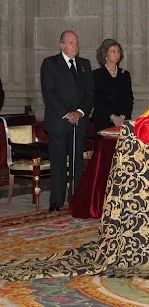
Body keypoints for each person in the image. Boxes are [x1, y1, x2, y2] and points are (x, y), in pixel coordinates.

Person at [40, 30, 95, 212]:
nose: (75, 45)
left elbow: (90, 93)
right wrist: (67, 113)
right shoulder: (50, 63)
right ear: (61, 45)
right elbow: (49, 92)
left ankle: (76, 199)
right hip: (58, 121)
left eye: (76, 43)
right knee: (57, 162)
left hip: (78, 122)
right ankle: (56, 200)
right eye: (71, 42)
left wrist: (79, 112)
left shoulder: (84, 65)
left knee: (77, 161)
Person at [92, 39, 134, 132]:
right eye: (113, 52)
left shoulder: (125, 74)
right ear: (105, 54)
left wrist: (122, 117)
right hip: (103, 120)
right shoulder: (96, 74)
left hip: (123, 120)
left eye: (118, 52)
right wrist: (113, 117)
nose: (117, 54)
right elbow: (97, 100)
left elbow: (129, 98)